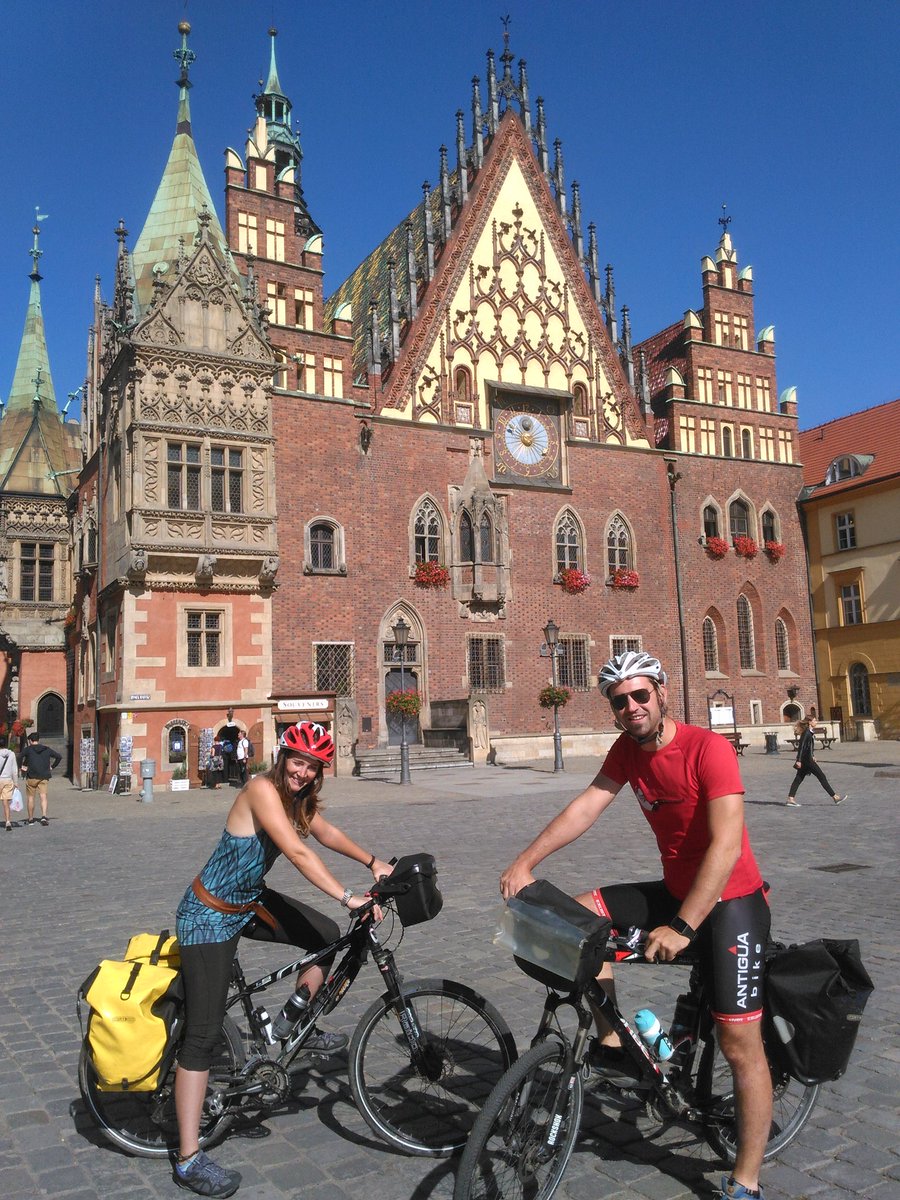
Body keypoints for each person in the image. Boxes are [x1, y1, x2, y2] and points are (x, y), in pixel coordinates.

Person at [500, 651, 772, 1200]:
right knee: (579, 916)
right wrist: (526, 861)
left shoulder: (708, 748)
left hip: (732, 900)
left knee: (739, 1043)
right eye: (619, 701)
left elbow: (725, 846)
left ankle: (746, 1181)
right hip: (674, 892)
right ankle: (612, 1042)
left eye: (640, 695)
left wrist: (683, 927)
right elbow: (587, 805)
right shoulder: (627, 751)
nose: (631, 707)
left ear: (662, 693)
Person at [172, 720, 393, 1197]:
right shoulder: (260, 789)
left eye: (313, 766)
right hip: (208, 916)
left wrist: (373, 861)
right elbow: (295, 851)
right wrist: (347, 894)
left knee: (327, 937)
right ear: (282, 757)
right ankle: (189, 1156)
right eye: (298, 761)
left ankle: (290, 1025)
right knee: (204, 1034)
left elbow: (324, 832)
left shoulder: (297, 799)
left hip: (249, 903)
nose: (303, 771)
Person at [786, 717, 847, 807]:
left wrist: (812, 755)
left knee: (798, 778)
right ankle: (835, 797)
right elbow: (801, 747)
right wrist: (798, 760)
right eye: (814, 720)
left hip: (807, 758)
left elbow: (809, 746)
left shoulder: (809, 732)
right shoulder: (806, 732)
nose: (816, 722)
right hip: (806, 760)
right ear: (810, 722)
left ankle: (790, 799)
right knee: (821, 776)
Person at [19, 731, 61, 827]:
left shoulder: (28, 749)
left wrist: (21, 766)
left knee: (30, 798)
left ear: (30, 740)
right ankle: (44, 816)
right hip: (44, 776)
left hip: (31, 776)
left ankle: (30, 819)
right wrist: (52, 767)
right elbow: (59, 757)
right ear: (38, 740)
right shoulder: (46, 749)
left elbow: (19, 756)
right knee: (43, 797)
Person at [1, 734, 20, 831]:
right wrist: (16, 782)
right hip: (8, 780)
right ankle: (8, 821)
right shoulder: (11, 754)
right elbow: (14, 770)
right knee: (6, 802)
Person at [219, 708, 241, 785]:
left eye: (231, 711)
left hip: (225, 756)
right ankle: (239, 779)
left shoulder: (222, 743)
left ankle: (224, 779)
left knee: (225, 767)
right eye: (230, 711)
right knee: (237, 767)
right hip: (233, 755)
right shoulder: (235, 742)